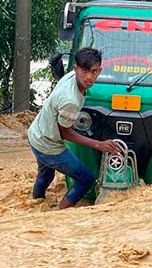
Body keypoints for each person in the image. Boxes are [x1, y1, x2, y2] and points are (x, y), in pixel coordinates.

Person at [27, 47, 120, 209]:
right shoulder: (71, 101)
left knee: (45, 174)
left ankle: (36, 204)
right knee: (85, 179)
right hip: (48, 145)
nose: (89, 77)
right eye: (84, 71)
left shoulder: (70, 77)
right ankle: (61, 214)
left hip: (36, 134)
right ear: (76, 68)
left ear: (100, 70)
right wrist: (99, 144)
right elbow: (66, 133)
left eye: (94, 71)